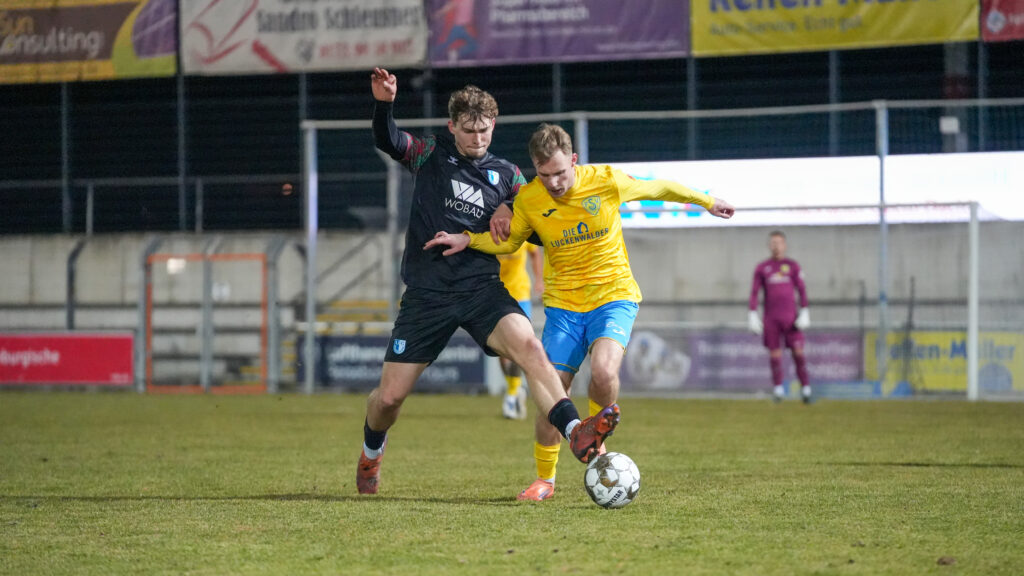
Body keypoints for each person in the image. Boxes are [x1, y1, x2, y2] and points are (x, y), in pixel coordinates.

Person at [425, 123, 735, 501]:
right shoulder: (531, 200)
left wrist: (706, 200)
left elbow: (660, 187)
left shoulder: (606, 180)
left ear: (573, 160)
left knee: (604, 372)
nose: (554, 182)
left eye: (560, 172)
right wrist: (468, 239)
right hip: (564, 308)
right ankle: (545, 480)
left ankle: (596, 435)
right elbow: (509, 242)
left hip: (613, 296)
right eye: (544, 175)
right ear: (534, 171)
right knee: (551, 392)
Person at [358, 69, 619, 495]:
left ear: (493, 126)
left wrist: (513, 205)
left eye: (484, 130)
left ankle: (575, 430)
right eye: (468, 130)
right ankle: (371, 455)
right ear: (452, 127)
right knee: (388, 400)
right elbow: (389, 140)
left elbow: (534, 214)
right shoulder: (428, 155)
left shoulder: (510, 175)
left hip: (482, 291)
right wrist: (384, 104)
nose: (478, 138)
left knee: (532, 350)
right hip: (428, 295)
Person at [748, 230, 812, 403]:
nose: (776, 246)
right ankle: (778, 389)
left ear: (785, 245)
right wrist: (752, 313)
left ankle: (805, 388)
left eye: (779, 242)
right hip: (771, 319)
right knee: (775, 355)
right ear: (769, 245)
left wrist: (805, 310)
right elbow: (754, 292)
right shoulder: (762, 268)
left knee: (798, 353)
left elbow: (801, 289)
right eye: (773, 243)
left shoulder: (792, 266)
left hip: (791, 318)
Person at [497, 243, 544, 420]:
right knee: (501, 353)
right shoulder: (489, 233)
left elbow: (535, 254)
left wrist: (539, 279)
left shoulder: (522, 232)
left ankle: (511, 395)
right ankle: (516, 389)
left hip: (520, 294)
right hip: (497, 294)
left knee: (520, 345)